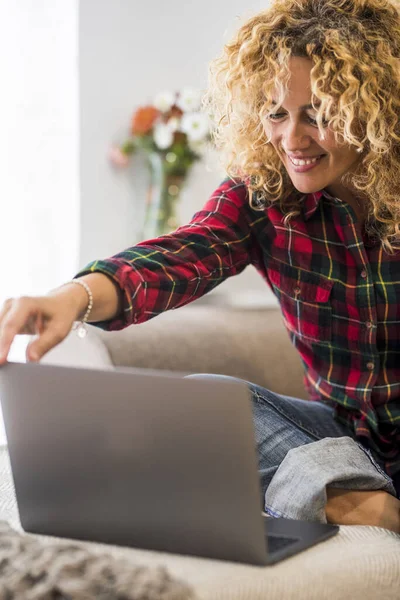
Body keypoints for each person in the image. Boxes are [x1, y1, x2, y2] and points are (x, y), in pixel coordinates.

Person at [1, 0, 400, 532]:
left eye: (319, 114)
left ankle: (341, 496)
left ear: (376, 108)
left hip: (351, 455)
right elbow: (184, 252)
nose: (292, 140)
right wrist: (71, 297)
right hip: (343, 437)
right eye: (277, 112)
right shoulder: (264, 195)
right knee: (202, 405)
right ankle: (361, 501)